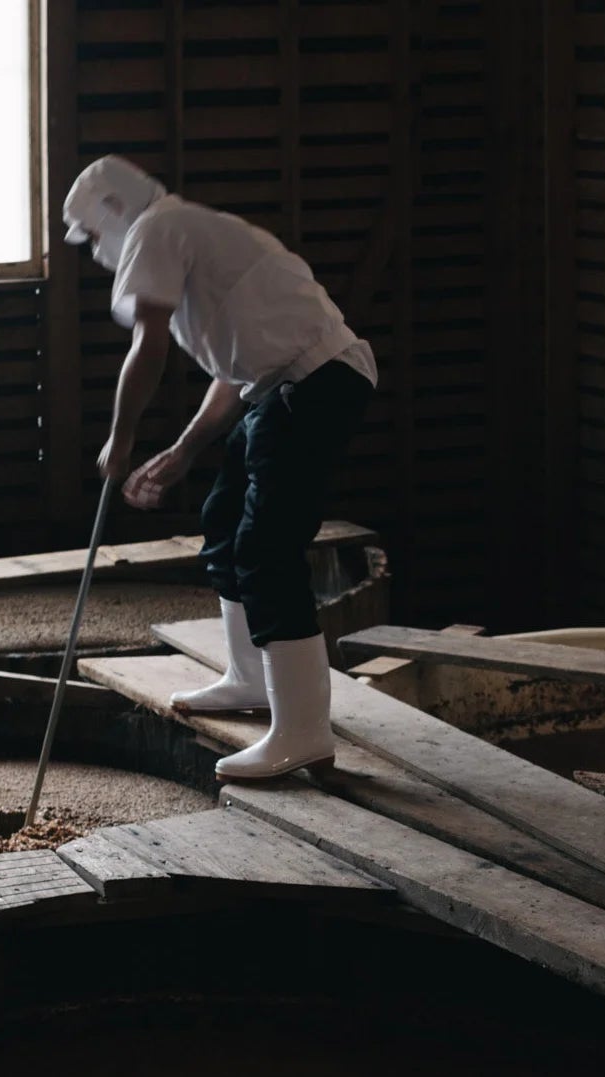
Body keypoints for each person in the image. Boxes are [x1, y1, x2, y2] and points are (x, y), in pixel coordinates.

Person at [61, 156, 376, 781]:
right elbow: (233, 374)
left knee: (266, 547)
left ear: (113, 214)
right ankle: (250, 678)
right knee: (225, 521)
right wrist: (182, 451)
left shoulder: (156, 230)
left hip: (316, 384)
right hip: (281, 387)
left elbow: (146, 347)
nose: (95, 249)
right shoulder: (185, 234)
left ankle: (303, 732)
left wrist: (121, 438)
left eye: (93, 234)